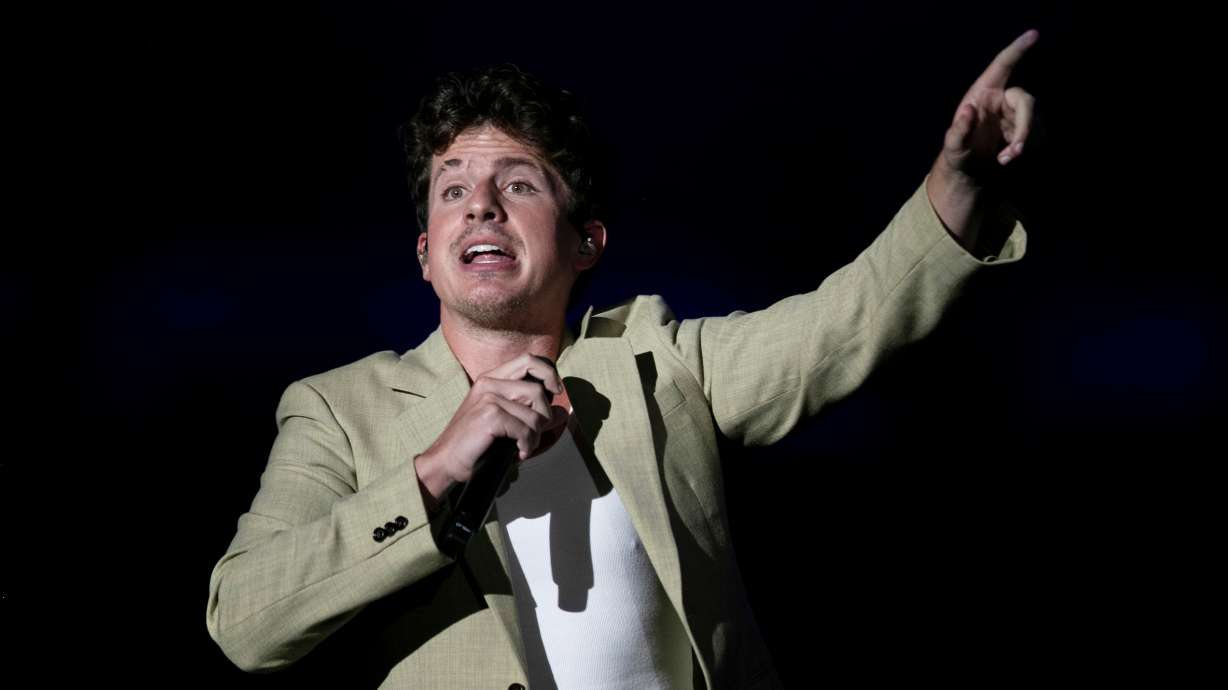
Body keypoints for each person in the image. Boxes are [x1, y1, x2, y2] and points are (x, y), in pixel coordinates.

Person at [206, 29, 1039, 689]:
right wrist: (431, 472)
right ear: (426, 253)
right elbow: (244, 620)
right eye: (452, 189)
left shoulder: (658, 360)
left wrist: (957, 185)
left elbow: (842, 326)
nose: (481, 205)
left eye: (518, 184)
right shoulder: (339, 409)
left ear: (587, 242)